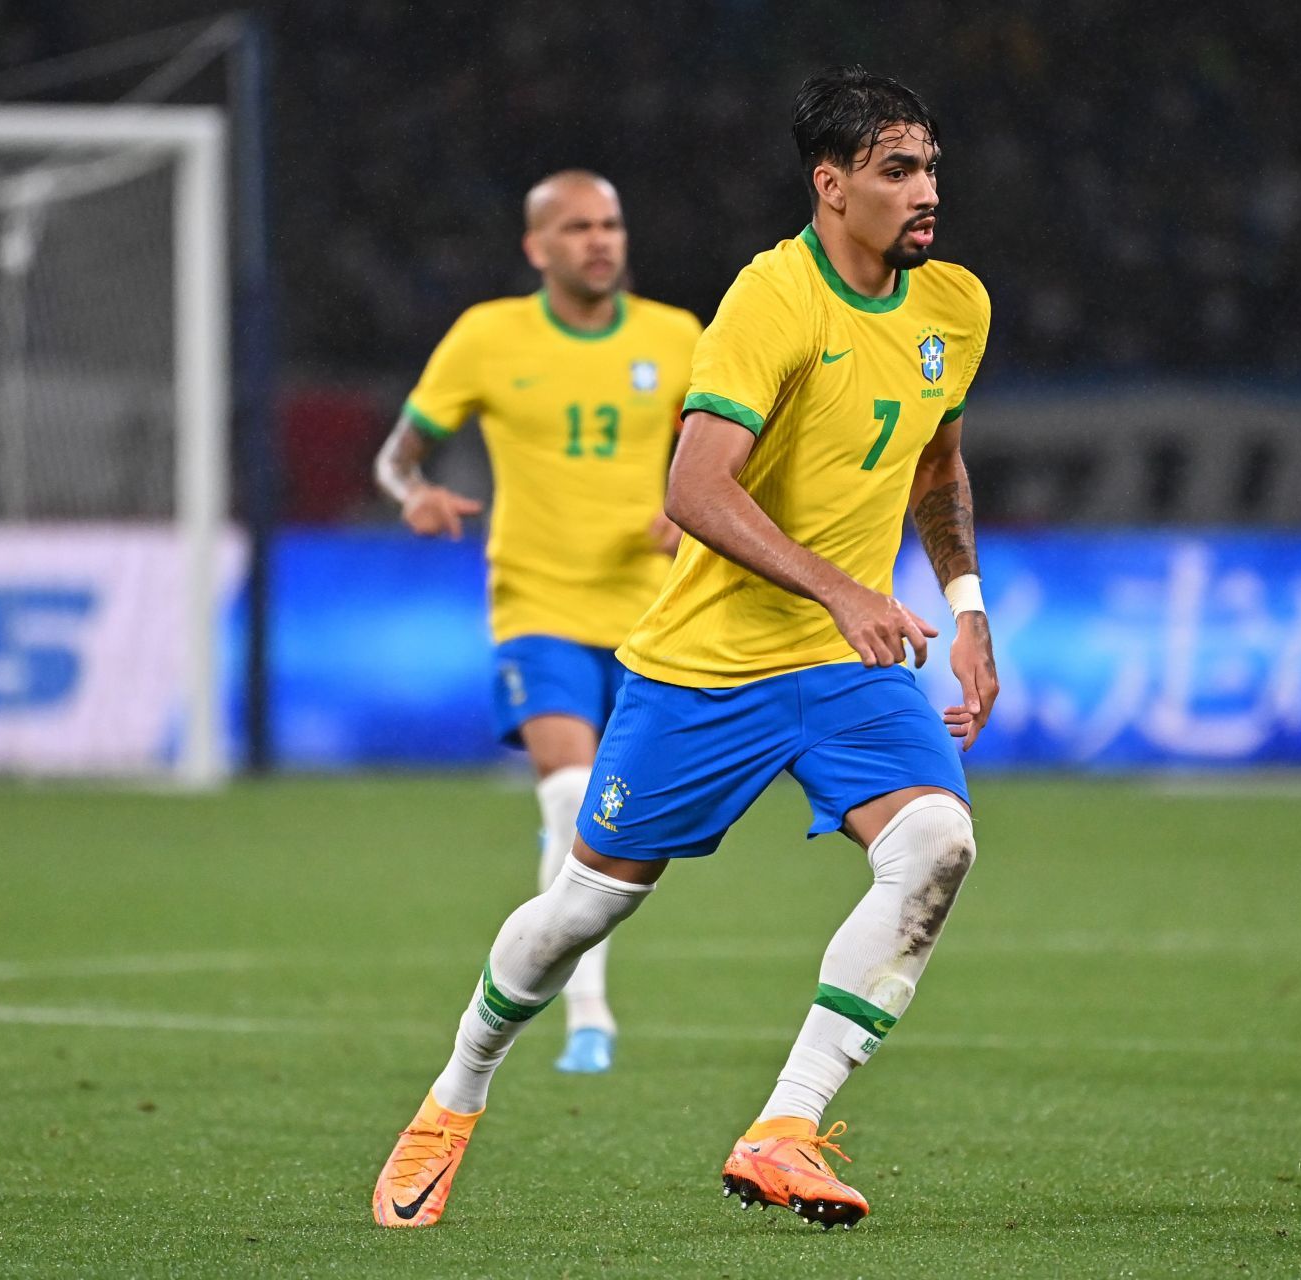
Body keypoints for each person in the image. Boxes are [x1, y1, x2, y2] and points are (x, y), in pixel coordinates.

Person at [372, 66, 996, 1232]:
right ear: (832, 184)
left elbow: (938, 463)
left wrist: (964, 602)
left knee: (937, 843)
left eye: (931, 170)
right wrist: (845, 587)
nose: (927, 194)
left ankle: (785, 1125)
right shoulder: (771, 298)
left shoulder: (952, 304)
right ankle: (457, 1091)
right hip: (705, 663)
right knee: (584, 905)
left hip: (845, 662)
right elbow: (696, 486)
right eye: (898, 171)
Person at [373, 169, 700, 1076]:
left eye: (612, 224)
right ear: (537, 247)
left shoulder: (677, 339)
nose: (600, 241)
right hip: (538, 604)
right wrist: (416, 495)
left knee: (618, 820)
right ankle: (587, 1012)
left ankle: (574, 966)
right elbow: (396, 458)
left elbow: (733, 456)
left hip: (653, 615)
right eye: (578, 228)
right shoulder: (488, 336)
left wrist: (696, 508)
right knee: (569, 792)